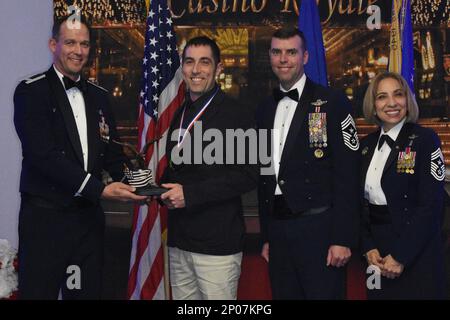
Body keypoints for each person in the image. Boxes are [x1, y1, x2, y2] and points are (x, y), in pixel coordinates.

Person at [13, 15, 146, 299]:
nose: (78, 50)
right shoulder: (31, 91)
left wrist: (139, 185)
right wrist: (98, 189)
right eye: (70, 42)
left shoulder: (99, 95)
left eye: (84, 44)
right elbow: (43, 156)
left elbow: (112, 152)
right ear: (53, 44)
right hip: (45, 221)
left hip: (87, 223)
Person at [256, 27, 360, 299]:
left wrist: (342, 237)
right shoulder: (264, 108)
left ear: (305, 57)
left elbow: (348, 173)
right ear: (270, 56)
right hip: (278, 231)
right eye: (277, 52)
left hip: (321, 230)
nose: (283, 59)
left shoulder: (333, 102)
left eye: (291, 52)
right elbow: (265, 174)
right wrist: (267, 234)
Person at [160, 36, 257, 300]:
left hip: (218, 245)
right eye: (190, 62)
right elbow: (179, 171)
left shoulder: (238, 113)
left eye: (205, 62)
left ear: (219, 68)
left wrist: (189, 195)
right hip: (179, 240)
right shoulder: (179, 113)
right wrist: (153, 189)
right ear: (182, 68)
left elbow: (248, 175)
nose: (196, 69)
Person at [360, 72, 447, 299]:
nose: (391, 103)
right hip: (375, 257)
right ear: (373, 104)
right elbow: (356, 205)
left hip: (416, 250)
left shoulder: (425, 140)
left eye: (398, 95)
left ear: (407, 100)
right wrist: (368, 248)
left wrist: (400, 256)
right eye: (382, 97)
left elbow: (431, 205)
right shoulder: (364, 147)